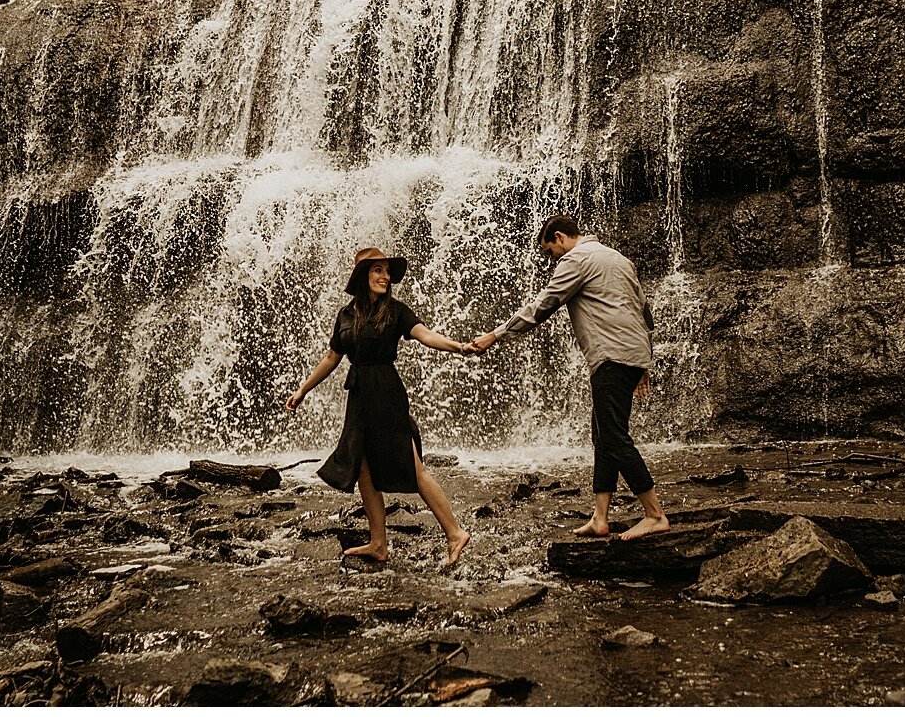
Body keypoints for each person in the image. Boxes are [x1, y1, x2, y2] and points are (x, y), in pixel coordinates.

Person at [468, 215, 670, 541]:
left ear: (560, 238)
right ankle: (600, 518)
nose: (553, 260)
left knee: (614, 437)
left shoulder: (576, 259)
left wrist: (496, 335)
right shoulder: (617, 258)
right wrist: (643, 361)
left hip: (610, 355)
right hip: (629, 354)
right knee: (603, 436)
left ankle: (654, 514)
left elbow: (542, 306)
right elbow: (643, 311)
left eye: (550, 252)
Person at [287, 246, 473, 567]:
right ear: (363, 277)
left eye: (387, 271)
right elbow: (333, 356)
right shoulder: (346, 315)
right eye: (378, 270)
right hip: (359, 395)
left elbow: (424, 334)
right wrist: (304, 388)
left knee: (413, 467)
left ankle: (455, 532)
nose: (385, 276)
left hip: (386, 391)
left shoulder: (397, 311)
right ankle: (378, 543)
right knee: (363, 468)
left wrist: (456, 347)